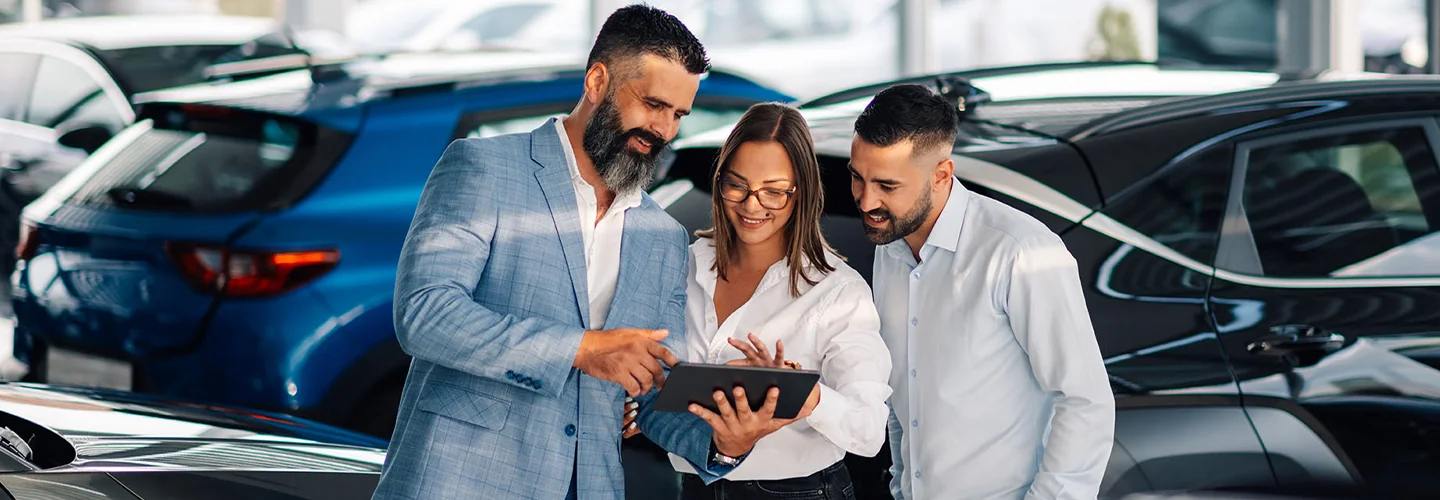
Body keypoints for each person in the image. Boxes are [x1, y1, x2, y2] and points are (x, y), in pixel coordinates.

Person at [371, 6, 812, 500]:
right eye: (652, 104)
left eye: (678, 114)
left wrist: (727, 436)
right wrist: (585, 349)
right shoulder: (483, 167)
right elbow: (425, 315)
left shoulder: (663, 236)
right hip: (460, 483)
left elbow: (651, 393)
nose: (664, 129)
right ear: (598, 81)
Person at [847, 84, 1115, 499]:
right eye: (857, 178)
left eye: (887, 185)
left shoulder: (1020, 251)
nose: (866, 201)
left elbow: (1085, 401)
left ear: (941, 175)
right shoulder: (891, 248)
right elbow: (903, 397)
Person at [622, 102, 892, 500]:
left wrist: (804, 396)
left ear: (800, 193)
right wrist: (640, 408)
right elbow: (650, 377)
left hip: (800, 494)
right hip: (694, 487)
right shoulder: (682, 267)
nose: (752, 205)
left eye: (774, 192)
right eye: (738, 185)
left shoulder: (837, 292)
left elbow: (868, 432)